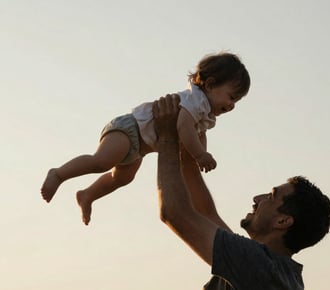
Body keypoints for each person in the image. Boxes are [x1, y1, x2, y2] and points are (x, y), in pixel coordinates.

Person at [153, 94, 330, 290]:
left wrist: (167, 138)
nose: (257, 198)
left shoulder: (258, 267)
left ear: (282, 221)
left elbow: (175, 213)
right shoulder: (271, 269)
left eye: (271, 196)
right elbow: (205, 213)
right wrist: (191, 154)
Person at [40, 52, 250, 225]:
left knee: (122, 177)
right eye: (232, 97)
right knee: (102, 161)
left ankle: (87, 195)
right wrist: (200, 154)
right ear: (211, 84)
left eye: (237, 101)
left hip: (139, 148)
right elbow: (184, 126)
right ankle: (58, 174)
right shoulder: (196, 100)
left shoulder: (206, 114)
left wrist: (197, 157)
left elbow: (197, 134)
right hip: (129, 129)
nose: (232, 105)